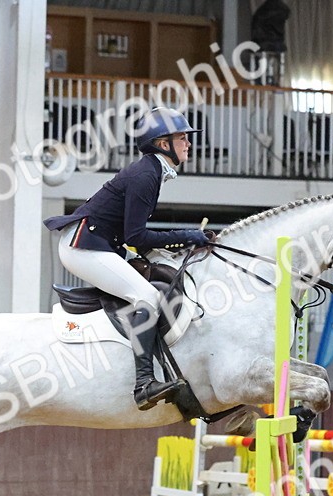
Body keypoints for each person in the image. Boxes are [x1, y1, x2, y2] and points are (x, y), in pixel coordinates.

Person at [43, 107, 210, 410]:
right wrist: (186, 235)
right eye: (182, 137)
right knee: (146, 295)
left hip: (100, 244)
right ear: (163, 144)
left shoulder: (152, 171)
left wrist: (180, 246)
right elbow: (137, 237)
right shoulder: (147, 175)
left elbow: (134, 238)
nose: (188, 143)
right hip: (83, 247)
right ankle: (144, 383)